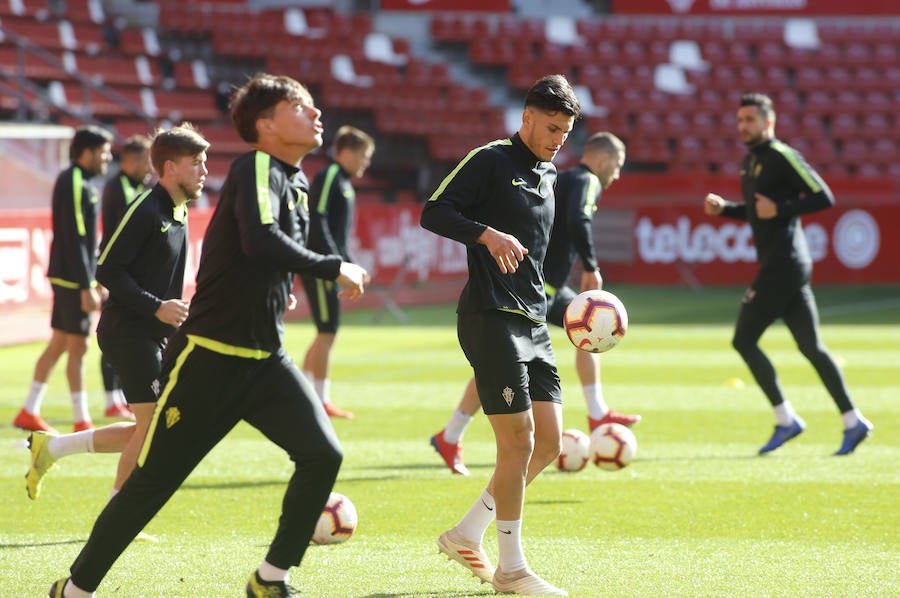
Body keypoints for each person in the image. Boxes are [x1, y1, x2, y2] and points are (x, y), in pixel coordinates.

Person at [48, 73, 368, 598]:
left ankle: (271, 578)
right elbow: (261, 239)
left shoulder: (299, 180)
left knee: (324, 454)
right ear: (265, 126)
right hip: (209, 360)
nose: (315, 114)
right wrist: (332, 267)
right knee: (151, 483)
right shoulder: (255, 167)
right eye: (300, 106)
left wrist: (279, 288)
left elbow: (265, 254)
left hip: (265, 359)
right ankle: (75, 589)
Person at [420, 74, 580, 596]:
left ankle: (466, 533)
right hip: (490, 317)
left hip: (533, 322)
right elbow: (433, 211)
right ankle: (511, 569)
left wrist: (573, 307)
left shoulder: (549, 175)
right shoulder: (489, 160)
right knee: (518, 441)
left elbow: (532, 261)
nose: (558, 139)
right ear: (527, 117)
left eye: (566, 131)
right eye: (551, 127)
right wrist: (485, 233)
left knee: (549, 444)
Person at [431, 132, 638, 476]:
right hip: (540, 289)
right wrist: (591, 266)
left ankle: (451, 435)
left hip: (542, 288)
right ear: (603, 160)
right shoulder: (587, 180)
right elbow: (578, 220)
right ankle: (597, 412)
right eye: (616, 167)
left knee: (581, 333)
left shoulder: (563, 175)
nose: (616, 175)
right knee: (581, 330)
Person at [26, 124, 209, 509]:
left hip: (152, 332)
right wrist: (155, 306)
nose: (204, 169)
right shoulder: (146, 207)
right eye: (196, 162)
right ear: (170, 168)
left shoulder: (180, 210)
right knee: (152, 426)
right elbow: (107, 268)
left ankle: (52, 448)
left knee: (153, 426)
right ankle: (115, 518)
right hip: (128, 330)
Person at [704, 92, 873, 456]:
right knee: (811, 347)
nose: (743, 126)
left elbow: (823, 196)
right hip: (782, 265)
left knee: (743, 340)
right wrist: (726, 210)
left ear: (769, 122)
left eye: (750, 119)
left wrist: (781, 207)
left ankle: (786, 418)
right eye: (740, 120)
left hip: (784, 265)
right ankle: (853, 421)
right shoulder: (751, 161)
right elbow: (757, 211)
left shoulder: (781, 156)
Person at [12, 125, 113, 435]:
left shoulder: (80, 182)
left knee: (58, 345)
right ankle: (81, 419)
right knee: (79, 347)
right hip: (72, 279)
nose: (108, 158)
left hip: (70, 276)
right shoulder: (74, 182)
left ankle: (29, 410)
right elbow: (76, 236)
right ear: (87, 152)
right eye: (103, 152)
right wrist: (87, 284)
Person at [300, 125, 375, 419]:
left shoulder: (342, 180)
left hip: (330, 264)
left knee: (324, 332)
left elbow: (338, 235)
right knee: (327, 331)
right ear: (346, 152)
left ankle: (306, 394)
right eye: (363, 156)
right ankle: (320, 400)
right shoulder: (330, 175)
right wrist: (336, 263)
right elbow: (317, 220)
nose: (365, 163)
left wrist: (351, 262)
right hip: (321, 266)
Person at [99, 134, 153, 421]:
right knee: (115, 331)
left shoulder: (134, 187)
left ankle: (121, 397)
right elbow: (114, 236)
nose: (149, 168)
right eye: (146, 161)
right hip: (118, 274)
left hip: (127, 275)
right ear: (130, 160)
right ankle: (111, 399)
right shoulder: (118, 187)